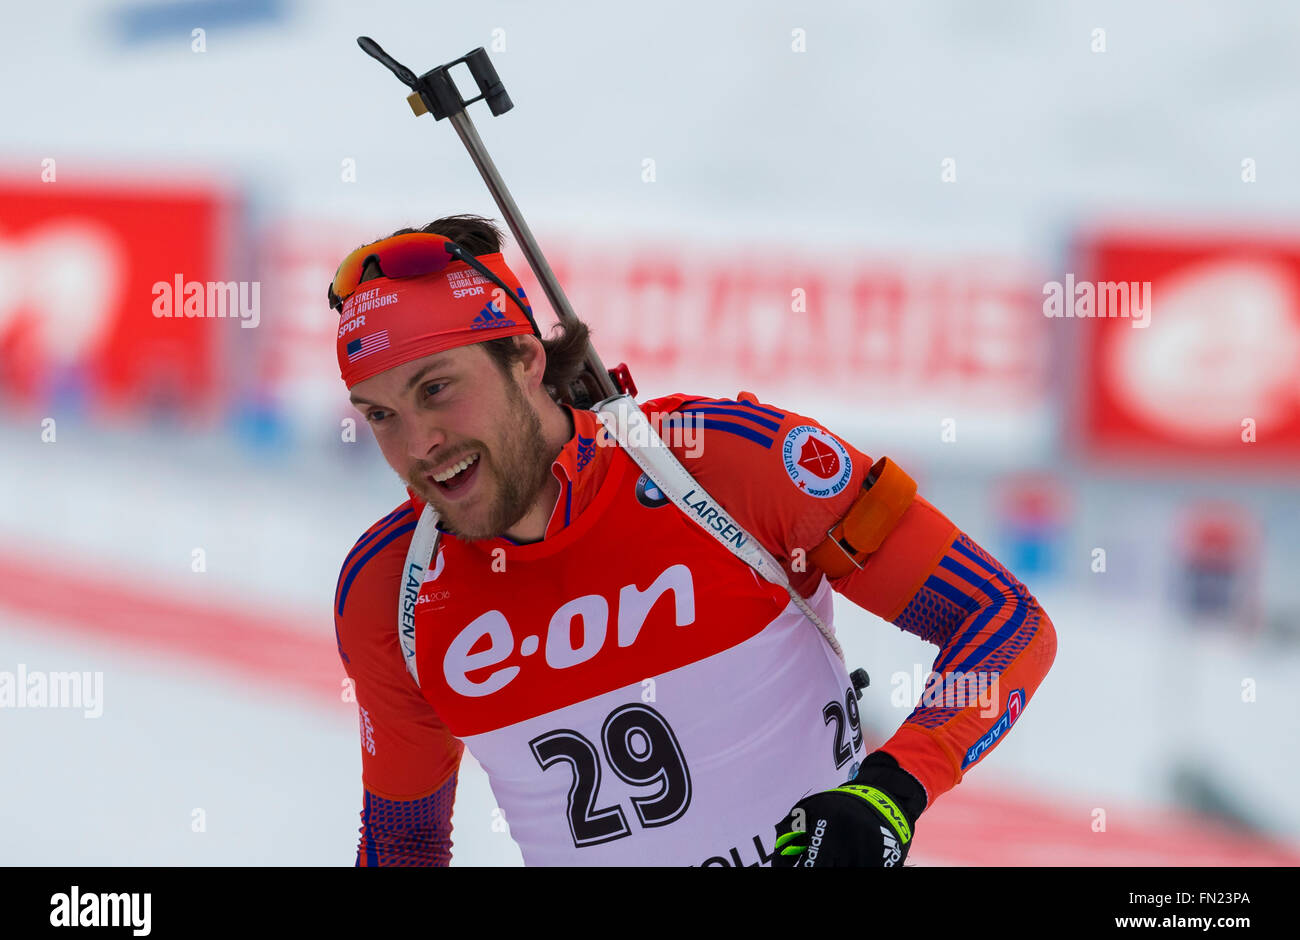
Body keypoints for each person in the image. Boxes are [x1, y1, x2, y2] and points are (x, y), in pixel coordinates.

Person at [331, 214, 1057, 866]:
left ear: (525, 359)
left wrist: (891, 791)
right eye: (380, 415)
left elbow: (1003, 622)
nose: (419, 443)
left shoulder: (719, 464)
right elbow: (405, 845)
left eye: (436, 389)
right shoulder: (389, 589)